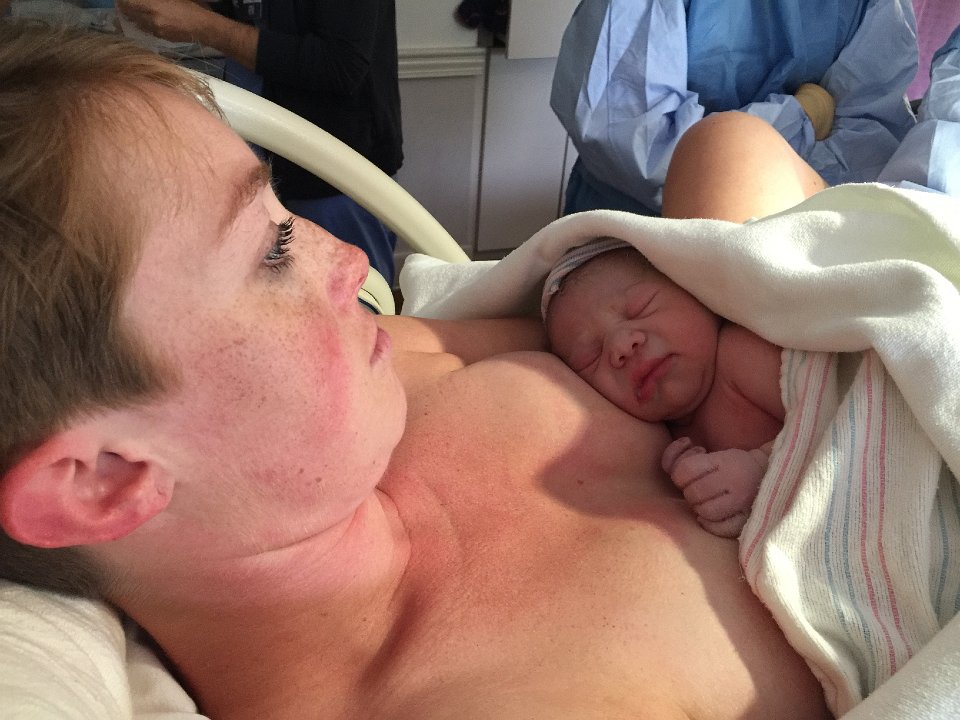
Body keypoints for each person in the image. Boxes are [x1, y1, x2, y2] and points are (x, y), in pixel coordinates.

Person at [0, 21, 834, 719]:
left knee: (729, 145)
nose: (353, 264)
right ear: (104, 479)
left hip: (816, 393)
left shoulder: (378, 373)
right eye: (272, 251)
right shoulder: (511, 700)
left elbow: (588, 322)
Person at [116, 0, 404, 285]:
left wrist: (202, 25)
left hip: (335, 167)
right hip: (264, 156)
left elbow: (340, 65)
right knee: (274, 296)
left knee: (354, 297)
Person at [552, 0, 918, 216]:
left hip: (794, 231)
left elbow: (870, 137)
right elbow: (634, 143)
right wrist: (805, 117)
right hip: (635, 231)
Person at [541, 241, 790, 538]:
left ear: (695, 291)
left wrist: (761, 466)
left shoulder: (741, 354)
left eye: (641, 308)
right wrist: (702, 485)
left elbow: (828, 419)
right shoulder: (667, 445)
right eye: (591, 357)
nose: (622, 346)